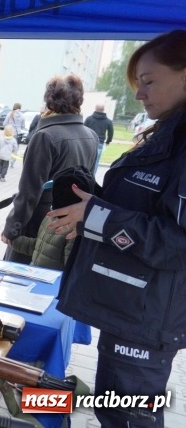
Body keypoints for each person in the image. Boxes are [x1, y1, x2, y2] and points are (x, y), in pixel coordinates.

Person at [53, 30, 186, 427]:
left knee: (127, 418)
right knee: (113, 411)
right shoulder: (168, 134)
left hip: (147, 319)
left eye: (149, 81)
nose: (139, 94)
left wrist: (96, 217)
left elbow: (178, 241)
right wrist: (91, 207)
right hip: (130, 310)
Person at [0, 75, 97, 264]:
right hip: (69, 223)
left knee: (20, 277)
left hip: (39, 223)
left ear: (49, 100)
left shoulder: (45, 136)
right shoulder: (91, 135)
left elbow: (29, 192)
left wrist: (12, 229)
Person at [83, 103, 114, 174]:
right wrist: (108, 141)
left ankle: (84, 174)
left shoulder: (89, 119)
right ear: (103, 110)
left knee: (86, 159)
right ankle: (92, 176)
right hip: (99, 142)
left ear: (95, 108)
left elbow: (83, 129)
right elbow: (111, 132)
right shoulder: (108, 121)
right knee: (96, 161)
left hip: (88, 142)